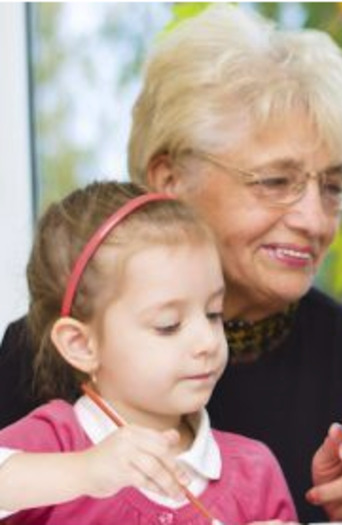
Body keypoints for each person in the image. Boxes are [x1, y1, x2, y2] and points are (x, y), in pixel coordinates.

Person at [0, 5, 342, 522]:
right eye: (275, 181)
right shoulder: (41, 352)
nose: (315, 220)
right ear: (170, 182)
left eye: (333, 186)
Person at [0, 181, 297, 524]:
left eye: (214, 314)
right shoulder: (51, 443)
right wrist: (84, 471)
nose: (208, 341)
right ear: (81, 345)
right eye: (168, 325)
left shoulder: (254, 472)